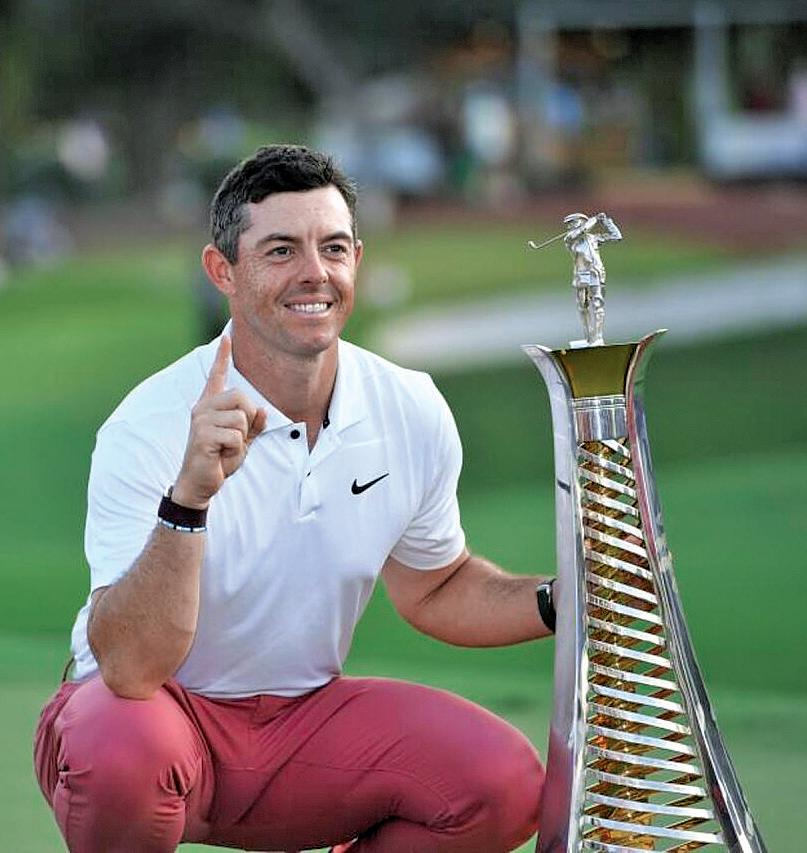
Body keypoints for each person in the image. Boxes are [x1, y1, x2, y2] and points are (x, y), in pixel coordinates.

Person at [34, 144, 554, 852]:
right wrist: (188, 500)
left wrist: (560, 602)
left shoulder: (409, 406)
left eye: (333, 247)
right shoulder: (149, 423)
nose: (315, 272)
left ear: (356, 261)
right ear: (223, 270)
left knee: (501, 783)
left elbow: (435, 587)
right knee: (122, 748)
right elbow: (129, 668)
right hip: (155, 719)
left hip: (303, 724)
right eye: (281, 250)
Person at [562, 212, 622, 346]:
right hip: (581, 275)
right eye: (568, 224)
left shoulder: (593, 238)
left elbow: (616, 236)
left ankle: (598, 338)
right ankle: (589, 338)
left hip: (596, 273)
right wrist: (595, 219)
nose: (569, 226)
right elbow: (582, 230)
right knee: (583, 306)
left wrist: (606, 221)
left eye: (573, 223)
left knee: (598, 304)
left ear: (582, 221)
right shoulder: (570, 238)